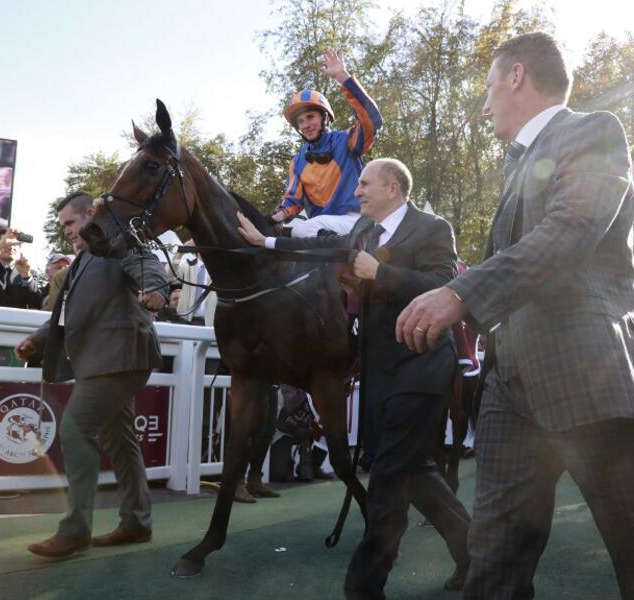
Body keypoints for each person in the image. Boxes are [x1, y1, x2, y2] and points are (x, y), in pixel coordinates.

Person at [396, 32, 634, 599]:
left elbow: (568, 234)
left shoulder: (593, 131)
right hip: (509, 386)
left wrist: (460, 293)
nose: (484, 104)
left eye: (487, 87)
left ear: (517, 77)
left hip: (582, 373)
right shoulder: (516, 163)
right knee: (493, 561)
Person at [238, 158, 471, 597]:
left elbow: (444, 284)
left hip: (422, 365)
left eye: (365, 184)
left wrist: (381, 272)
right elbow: (325, 250)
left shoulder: (433, 227)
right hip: (378, 369)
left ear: (394, 187)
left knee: (387, 472)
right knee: (414, 469)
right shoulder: (363, 231)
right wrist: (267, 240)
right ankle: (475, 555)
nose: (357, 191)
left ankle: (364, 585)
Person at [16, 191, 168, 558]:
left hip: (119, 358)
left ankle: (75, 531)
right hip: (106, 360)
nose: (67, 231)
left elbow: (148, 265)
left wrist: (158, 290)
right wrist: (36, 341)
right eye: (63, 226)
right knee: (120, 440)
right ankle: (136, 522)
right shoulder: (82, 259)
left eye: (70, 223)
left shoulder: (118, 240)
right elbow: (70, 315)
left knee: (75, 428)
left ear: (89, 215)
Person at [274, 48, 382, 238]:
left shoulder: (347, 140)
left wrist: (342, 76)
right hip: (321, 229)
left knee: (302, 229)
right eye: (300, 121)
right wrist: (277, 217)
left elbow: (372, 120)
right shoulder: (297, 161)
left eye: (310, 117)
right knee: (289, 233)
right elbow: (293, 200)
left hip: (356, 220)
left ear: (325, 118)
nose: (305, 125)